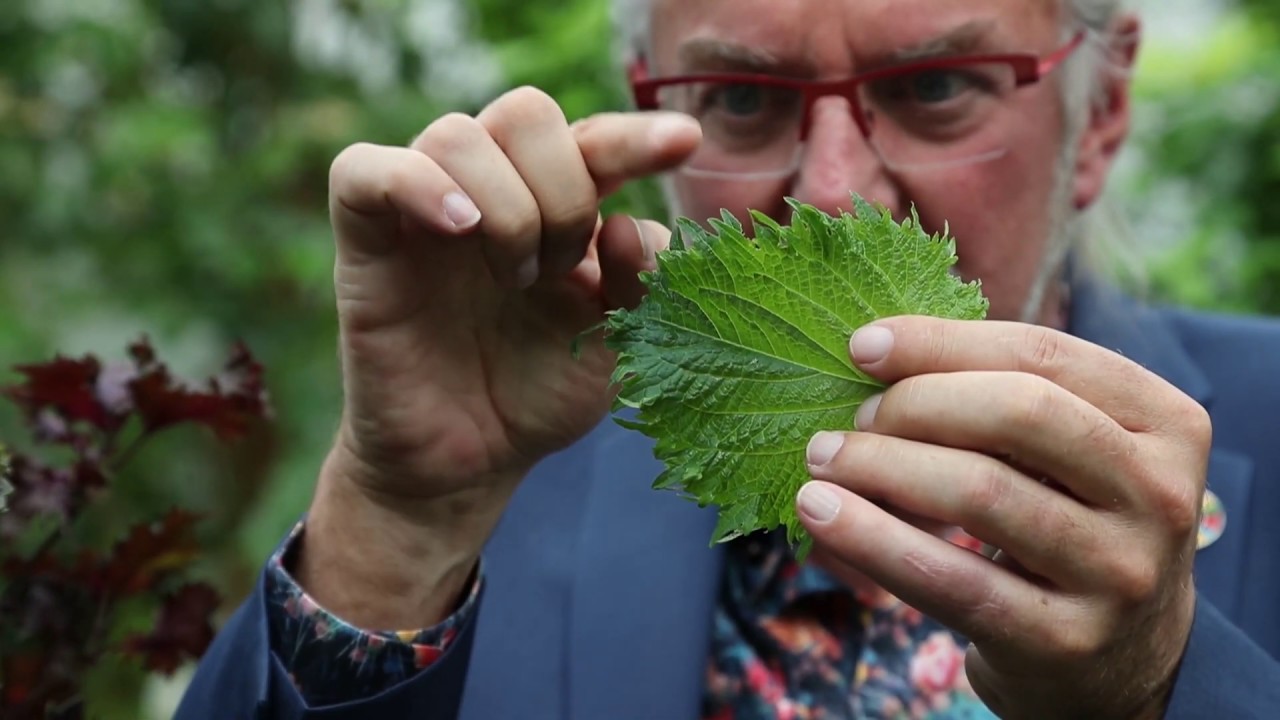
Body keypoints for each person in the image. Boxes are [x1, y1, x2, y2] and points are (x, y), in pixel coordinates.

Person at [176, 0, 1280, 717]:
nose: (837, 188)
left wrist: (1159, 687)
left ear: (1101, 113)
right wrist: (396, 523)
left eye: (935, 88)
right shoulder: (496, 498)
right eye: (743, 101)